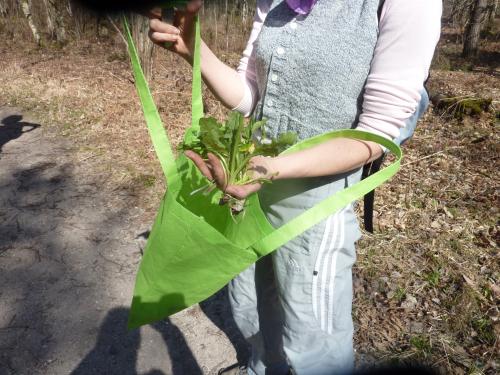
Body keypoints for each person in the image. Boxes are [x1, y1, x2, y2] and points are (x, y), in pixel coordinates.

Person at [148, 1, 441, 374]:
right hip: (256, 186)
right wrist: (194, 49)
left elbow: (374, 135)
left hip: (316, 202)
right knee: (250, 303)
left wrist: (273, 168)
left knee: (312, 342)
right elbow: (250, 93)